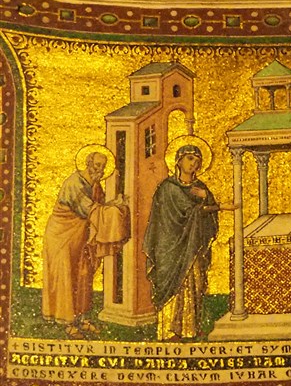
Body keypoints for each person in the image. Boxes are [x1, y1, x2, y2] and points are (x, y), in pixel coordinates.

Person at [143, 144, 236, 341]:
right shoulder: (168, 188)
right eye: (190, 159)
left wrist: (207, 198)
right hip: (169, 246)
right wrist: (218, 206)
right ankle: (169, 330)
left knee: (195, 282)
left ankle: (189, 328)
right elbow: (185, 212)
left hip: (194, 245)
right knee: (174, 285)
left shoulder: (201, 188)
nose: (194, 164)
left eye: (197, 161)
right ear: (178, 161)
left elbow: (206, 215)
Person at [42, 151, 129, 339]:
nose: (100, 170)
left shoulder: (94, 185)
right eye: (97, 165)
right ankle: (67, 322)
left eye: (103, 166)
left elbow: (99, 207)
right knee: (66, 275)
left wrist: (115, 203)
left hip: (80, 236)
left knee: (83, 274)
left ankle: (82, 318)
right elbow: (91, 210)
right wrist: (115, 210)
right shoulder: (75, 183)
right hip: (61, 236)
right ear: (88, 163)